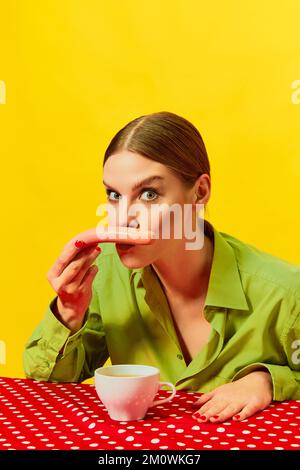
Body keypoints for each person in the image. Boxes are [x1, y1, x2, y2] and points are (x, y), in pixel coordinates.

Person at [23, 111, 300, 424]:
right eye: (114, 195)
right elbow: (46, 387)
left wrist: (269, 381)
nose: (123, 218)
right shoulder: (104, 274)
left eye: (149, 194)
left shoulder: (285, 294)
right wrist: (69, 312)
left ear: (200, 192)